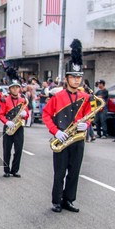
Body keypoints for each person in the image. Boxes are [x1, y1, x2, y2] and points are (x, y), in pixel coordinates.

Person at [42, 39, 92, 213]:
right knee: (60, 172)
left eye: (79, 77)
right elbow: (46, 115)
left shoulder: (85, 97)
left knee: (74, 172)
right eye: (73, 77)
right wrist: (55, 132)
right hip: (62, 137)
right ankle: (56, 201)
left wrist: (86, 124)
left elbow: (88, 115)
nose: (77, 80)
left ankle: (68, 200)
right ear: (66, 78)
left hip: (77, 139)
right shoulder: (57, 97)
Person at [0, 67, 29, 178]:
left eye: (17, 88)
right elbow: (0, 114)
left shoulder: (23, 100)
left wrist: (26, 115)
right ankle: (6, 170)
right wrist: (7, 122)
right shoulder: (5, 100)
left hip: (19, 127)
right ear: (10, 89)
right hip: (8, 127)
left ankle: (15, 170)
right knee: (7, 149)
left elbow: (27, 113)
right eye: (13, 88)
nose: (15, 90)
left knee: (19, 149)